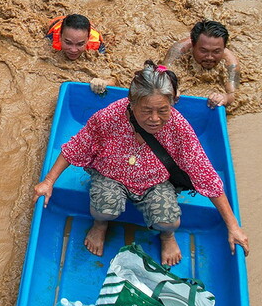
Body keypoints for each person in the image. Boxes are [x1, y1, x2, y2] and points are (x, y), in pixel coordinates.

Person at [33, 61, 249, 265]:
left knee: (169, 221)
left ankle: (167, 237)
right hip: (111, 175)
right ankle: (100, 225)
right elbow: (77, 146)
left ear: (173, 103)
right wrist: (48, 181)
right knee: (104, 209)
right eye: (146, 110)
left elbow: (204, 173)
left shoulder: (179, 128)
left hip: (156, 182)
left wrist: (233, 226)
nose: (155, 118)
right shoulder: (109, 117)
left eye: (163, 110)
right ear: (132, 103)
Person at [161, 20, 240, 108]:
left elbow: (233, 94)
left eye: (216, 51)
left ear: (224, 48)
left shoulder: (230, 63)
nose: (210, 57)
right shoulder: (179, 51)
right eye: (203, 51)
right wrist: (171, 89)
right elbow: (163, 77)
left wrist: (224, 98)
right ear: (193, 46)